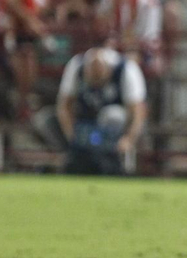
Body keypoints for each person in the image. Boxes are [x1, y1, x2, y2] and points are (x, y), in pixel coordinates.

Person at [56, 46, 148, 176]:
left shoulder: (127, 69)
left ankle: (118, 163)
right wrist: (71, 135)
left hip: (115, 129)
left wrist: (128, 139)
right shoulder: (76, 66)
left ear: (107, 70)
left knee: (113, 114)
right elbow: (64, 106)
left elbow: (138, 112)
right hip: (84, 122)